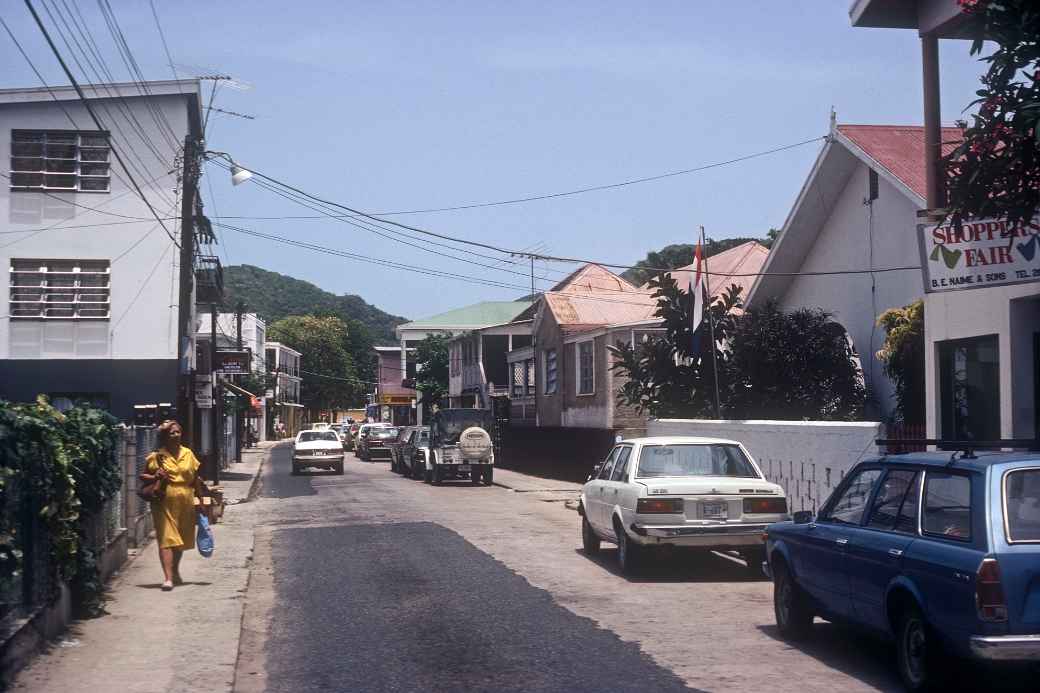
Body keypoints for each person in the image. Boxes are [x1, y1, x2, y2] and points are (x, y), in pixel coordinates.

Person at [139, 420, 209, 591]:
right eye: (172, 433)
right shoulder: (156, 456)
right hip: (163, 500)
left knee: (180, 540)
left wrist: (200, 501)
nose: (176, 435)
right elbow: (143, 476)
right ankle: (168, 578)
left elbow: (196, 479)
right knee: (167, 539)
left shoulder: (188, 454)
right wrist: (156, 476)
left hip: (185, 500)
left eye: (178, 432)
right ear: (165, 436)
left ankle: (175, 570)